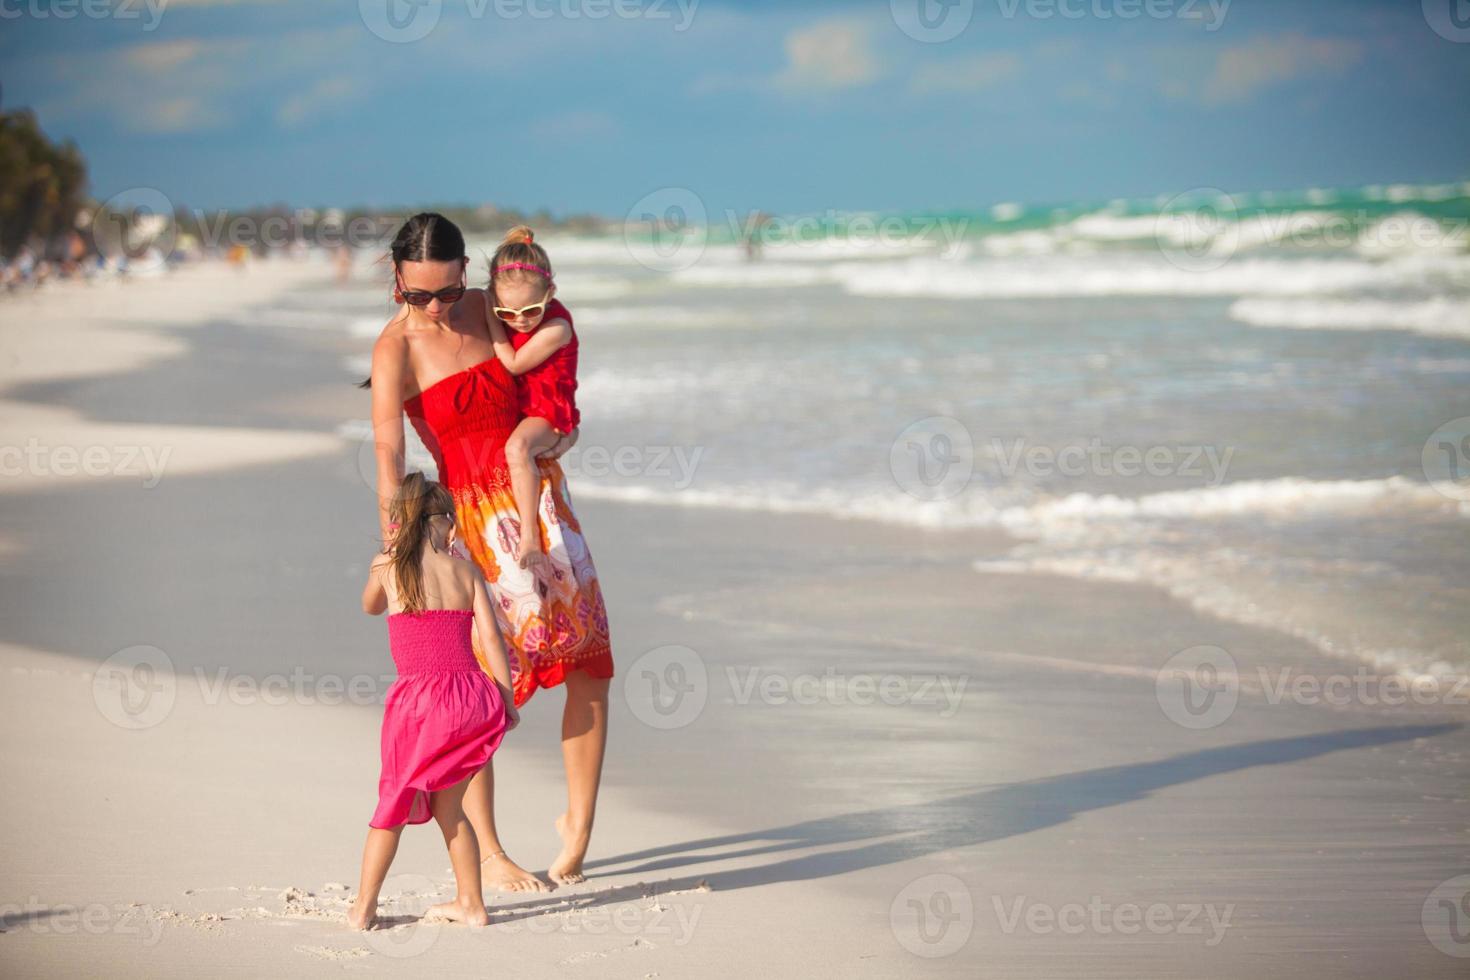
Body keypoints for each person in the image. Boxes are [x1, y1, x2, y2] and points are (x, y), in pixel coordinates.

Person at [367, 212, 614, 888]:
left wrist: (564, 425)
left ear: (466, 276)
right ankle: (494, 853)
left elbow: (557, 353)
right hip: (470, 527)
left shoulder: (488, 307)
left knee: (589, 664)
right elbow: (389, 456)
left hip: (539, 507)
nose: (438, 308)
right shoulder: (395, 350)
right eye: (419, 295)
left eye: (448, 292)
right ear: (397, 281)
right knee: (472, 693)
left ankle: (579, 828)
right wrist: (399, 546)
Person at [348, 473, 518, 930]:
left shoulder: (386, 565)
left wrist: (389, 553)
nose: (454, 534)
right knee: (450, 808)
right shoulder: (465, 570)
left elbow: (370, 606)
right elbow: (491, 638)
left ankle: (363, 908)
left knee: (392, 804)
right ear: (439, 522)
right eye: (451, 525)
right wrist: (507, 698)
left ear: (400, 521)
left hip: (420, 703)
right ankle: (471, 904)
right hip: (472, 697)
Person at [482, 226, 580, 576]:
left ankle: (530, 538)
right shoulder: (510, 314)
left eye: (530, 310)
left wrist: (491, 318)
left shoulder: (556, 328)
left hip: (548, 412)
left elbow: (513, 363)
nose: (520, 321)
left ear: (550, 293)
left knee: (517, 448)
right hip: (521, 407)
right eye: (507, 313)